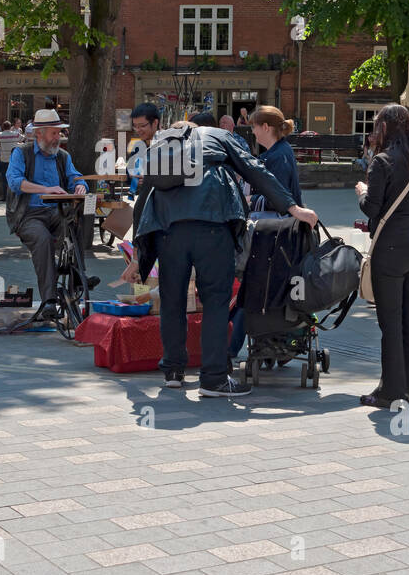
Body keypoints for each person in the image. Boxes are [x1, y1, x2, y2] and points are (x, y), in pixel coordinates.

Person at [135, 121, 317, 397]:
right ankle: (214, 379)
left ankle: (173, 371)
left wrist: (139, 253)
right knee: (216, 300)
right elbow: (253, 169)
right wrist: (292, 207)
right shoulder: (217, 136)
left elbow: (144, 194)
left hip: (168, 230)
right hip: (212, 223)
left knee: (172, 300)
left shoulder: (164, 145)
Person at [356, 104, 409, 406]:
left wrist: (362, 190)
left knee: (390, 322)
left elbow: (371, 208)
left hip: (391, 248)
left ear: (385, 128)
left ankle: (390, 391)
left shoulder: (382, 161)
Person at [227, 106, 303, 364]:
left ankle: (233, 349)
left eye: (254, 127)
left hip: (273, 236)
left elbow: (278, 198)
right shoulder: (281, 152)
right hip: (279, 235)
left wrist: (248, 199)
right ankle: (267, 347)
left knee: (253, 291)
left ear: (266, 128)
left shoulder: (277, 157)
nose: (253, 133)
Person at [6, 109, 92, 318]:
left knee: (77, 222)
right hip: (29, 215)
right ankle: (49, 300)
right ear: (39, 134)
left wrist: (81, 186)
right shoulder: (22, 153)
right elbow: (14, 181)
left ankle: (78, 278)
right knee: (42, 240)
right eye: (54, 133)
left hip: (57, 212)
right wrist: (45, 189)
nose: (58, 138)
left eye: (59, 133)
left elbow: (76, 177)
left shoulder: (63, 156)